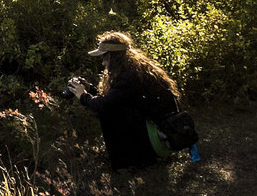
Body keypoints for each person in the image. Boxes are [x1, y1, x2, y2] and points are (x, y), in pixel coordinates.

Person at [66, 31, 182, 171]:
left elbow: (104, 105)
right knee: (114, 110)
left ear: (114, 58)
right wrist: (89, 89)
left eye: (105, 58)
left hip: (159, 136)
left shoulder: (130, 76)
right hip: (156, 129)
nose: (103, 62)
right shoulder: (133, 70)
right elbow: (114, 99)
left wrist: (83, 95)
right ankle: (135, 159)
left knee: (107, 114)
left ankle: (129, 163)